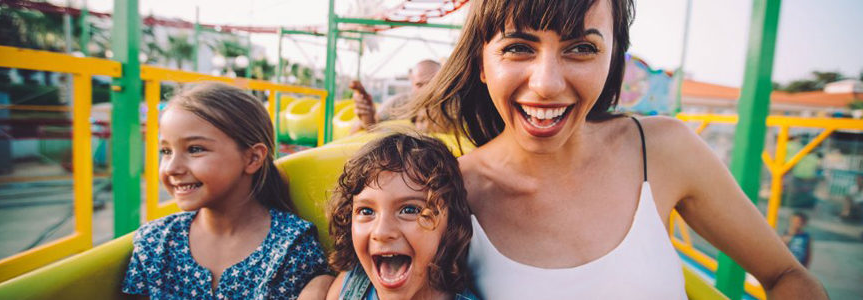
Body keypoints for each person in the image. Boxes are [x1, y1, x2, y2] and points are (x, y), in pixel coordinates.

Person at [411, 0, 827, 298]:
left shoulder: (663, 149)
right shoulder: (447, 193)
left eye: (581, 48)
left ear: (612, 59)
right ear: (482, 63)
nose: (547, 83)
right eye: (518, 47)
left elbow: (788, 274)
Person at [122, 82, 329, 299]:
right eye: (166, 151)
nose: (172, 167)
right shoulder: (154, 243)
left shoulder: (292, 246)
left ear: (252, 158)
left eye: (195, 149)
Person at [324, 133, 479, 299]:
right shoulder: (349, 283)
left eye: (409, 210)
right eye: (366, 211)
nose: (381, 233)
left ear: (451, 224)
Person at [350, 60, 441, 132]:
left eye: (431, 84)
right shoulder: (398, 103)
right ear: (412, 83)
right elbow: (369, 127)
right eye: (419, 85)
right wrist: (368, 118)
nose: (426, 90)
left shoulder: (451, 108)